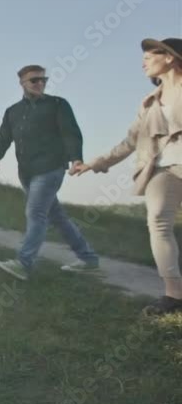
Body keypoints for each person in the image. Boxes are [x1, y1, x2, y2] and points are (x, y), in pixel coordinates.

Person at [70, 37, 182, 316]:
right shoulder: (148, 103)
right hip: (162, 169)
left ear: (169, 57)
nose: (143, 61)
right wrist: (96, 163)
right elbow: (130, 141)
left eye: (149, 55)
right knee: (157, 220)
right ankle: (174, 295)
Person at [0, 64, 100, 281]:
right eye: (34, 80)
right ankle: (88, 258)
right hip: (27, 171)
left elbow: (71, 133)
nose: (40, 83)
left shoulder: (57, 104)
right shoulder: (13, 111)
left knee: (35, 213)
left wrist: (76, 158)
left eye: (43, 80)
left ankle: (24, 263)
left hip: (51, 168)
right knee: (56, 217)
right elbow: (4, 137)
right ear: (22, 83)